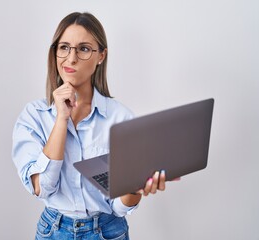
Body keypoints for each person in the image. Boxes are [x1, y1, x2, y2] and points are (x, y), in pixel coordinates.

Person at [12, 12, 171, 239]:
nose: (71, 58)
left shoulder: (121, 118)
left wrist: (135, 189)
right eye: (64, 47)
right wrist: (61, 119)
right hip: (54, 232)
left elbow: (118, 208)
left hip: (108, 231)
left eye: (84, 48)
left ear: (101, 56)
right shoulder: (33, 116)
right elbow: (42, 188)